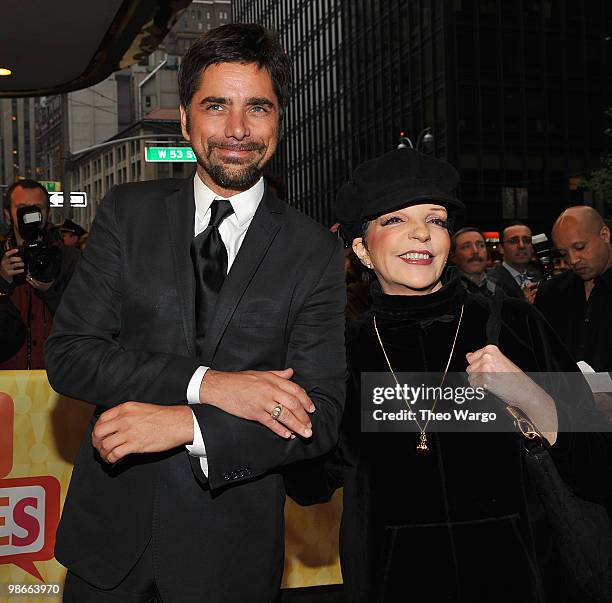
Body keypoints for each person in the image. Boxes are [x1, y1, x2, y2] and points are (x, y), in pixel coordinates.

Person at [44, 24, 346, 602]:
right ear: (185, 120)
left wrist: (187, 423)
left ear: (279, 121)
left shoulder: (314, 251)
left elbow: (321, 414)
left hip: (230, 555)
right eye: (216, 106)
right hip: (109, 546)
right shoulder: (127, 214)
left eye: (257, 108)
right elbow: (72, 354)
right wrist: (209, 385)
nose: (237, 129)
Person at [286, 149, 611, 603]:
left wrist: (530, 396)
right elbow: (307, 486)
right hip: (393, 583)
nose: (420, 232)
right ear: (362, 249)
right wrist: (290, 406)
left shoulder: (517, 325)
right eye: (395, 220)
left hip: (523, 579)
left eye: (435, 220)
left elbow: (598, 464)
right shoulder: (341, 351)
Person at [0, 179, 79, 369]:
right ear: (7, 214)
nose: (30, 215)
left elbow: (86, 319)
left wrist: (52, 290)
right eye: (21, 208)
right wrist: (2, 282)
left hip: (56, 380)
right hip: (7, 382)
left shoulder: (69, 257)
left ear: (48, 213)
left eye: (37, 208)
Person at [535, 205, 612, 373]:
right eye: (563, 253)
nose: (573, 259)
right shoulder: (551, 292)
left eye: (579, 247)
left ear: (604, 235)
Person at [489, 221, 539, 302]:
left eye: (526, 240)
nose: (521, 246)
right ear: (501, 248)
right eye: (513, 241)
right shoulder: (491, 281)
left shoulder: (539, 278)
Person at [450, 226, 497, 296]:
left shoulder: (501, 287)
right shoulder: (447, 292)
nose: (475, 251)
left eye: (481, 245)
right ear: (453, 256)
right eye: (466, 246)